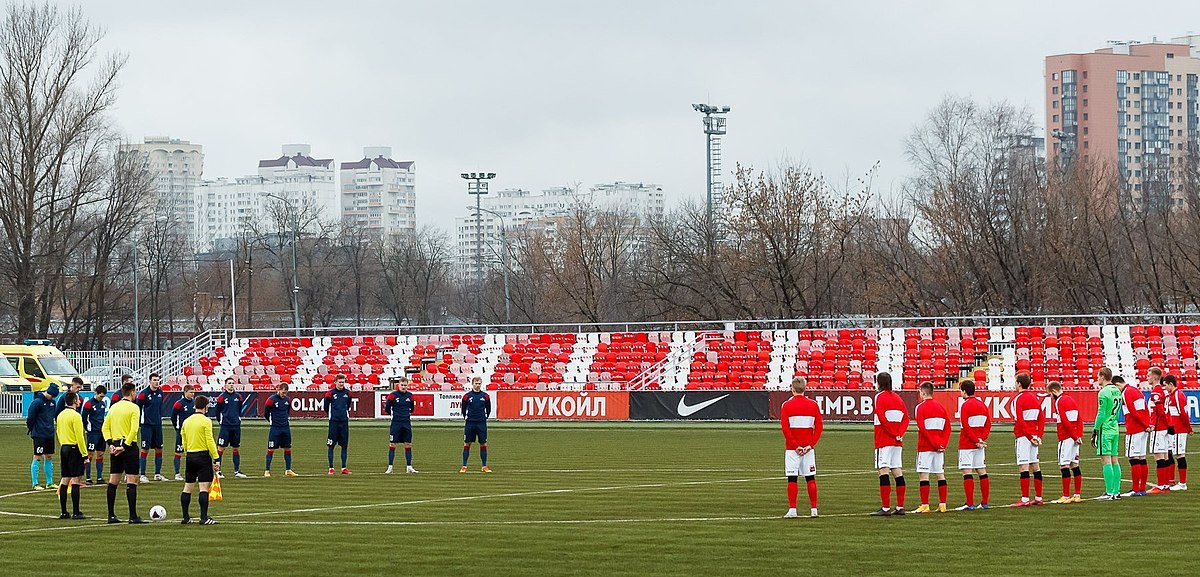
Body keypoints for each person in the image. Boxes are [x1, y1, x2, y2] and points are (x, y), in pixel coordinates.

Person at [102, 382, 147, 523]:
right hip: (128, 447)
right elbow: (134, 429)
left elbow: (105, 428)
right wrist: (126, 446)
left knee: (113, 481)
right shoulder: (134, 408)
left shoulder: (114, 407)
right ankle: (132, 516)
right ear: (133, 392)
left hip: (114, 447)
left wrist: (110, 444)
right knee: (132, 481)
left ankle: (111, 515)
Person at [780, 376, 822, 518]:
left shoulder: (786, 405)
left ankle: (793, 509)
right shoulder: (813, 405)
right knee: (810, 478)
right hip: (808, 448)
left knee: (792, 478)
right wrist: (810, 444)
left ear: (792, 389)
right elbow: (819, 427)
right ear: (805, 388)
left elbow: (785, 429)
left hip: (792, 449)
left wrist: (795, 445)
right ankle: (814, 509)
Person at [870, 372, 909, 516]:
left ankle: (886, 507)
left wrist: (893, 433)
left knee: (883, 470)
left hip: (884, 439)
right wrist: (900, 434)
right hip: (897, 441)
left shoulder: (879, 396)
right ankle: (900, 507)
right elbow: (906, 417)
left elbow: (881, 416)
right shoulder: (898, 398)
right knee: (897, 471)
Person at [180, 395, 220, 525]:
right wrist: (216, 457)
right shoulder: (206, 421)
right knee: (204, 487)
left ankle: (185, 517)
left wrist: (187, 453)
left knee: (188, 487)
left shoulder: (186, 421)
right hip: (202, 456)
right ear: (206, 407)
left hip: (190, 456)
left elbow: (183, 440)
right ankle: (203, 517)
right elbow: (210, 440)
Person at [913, 382, 950, 514]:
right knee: (940, 474)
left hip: (925, 447)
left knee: (924, 475)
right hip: (939, 447)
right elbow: (947, 428)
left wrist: (934, 443)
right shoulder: (941, 407)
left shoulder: (920, 408)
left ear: (923, 393)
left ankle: (925, 505)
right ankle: (943, 504)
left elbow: (922, 429)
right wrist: (942, 444)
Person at [956, 379, 991, 511]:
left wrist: (975, 439)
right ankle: (984, 502)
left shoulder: (965, 405)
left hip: (967, 443)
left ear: (964, 391)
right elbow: (988, 423)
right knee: (981, 471)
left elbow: (965, 426)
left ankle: (969, 503)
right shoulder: (982, 405)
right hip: (979, 444)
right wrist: (982, 438)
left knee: (967, 472)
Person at [1011, 373, 1045, 506]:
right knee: (1035, 466)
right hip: (1035, 436)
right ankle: (1038, 497)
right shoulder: (1035, 398)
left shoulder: (1018, 399)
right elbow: (1041, 418)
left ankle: (1025, 498)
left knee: (1024, 466)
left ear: (1019, 383)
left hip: (1024, 437)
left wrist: (1030, 437)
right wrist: (1038, 436)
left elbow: (1020, 420)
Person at [1047, 381, 1084, 503]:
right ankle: (1077, 495)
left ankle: (1066, 496)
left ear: (1054, 392)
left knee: (1064, 465)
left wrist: (1073, 436)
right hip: (1075, 438)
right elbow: (1079, 419)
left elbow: (1064, 421)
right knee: (1075, 465)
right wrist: (1078, 435)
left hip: (1066, 437)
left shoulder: (1059, 401)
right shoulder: (1071, 400)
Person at [1091, 368, 1123, 500]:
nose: (1097, 379)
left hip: (1106, 429)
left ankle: (1109, 492)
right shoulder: (1117, 390)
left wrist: (1095, 429)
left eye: (1098, 376)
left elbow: (1101, 413)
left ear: (1103, 377)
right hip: (1115, 428)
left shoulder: (1103, 392)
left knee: (1106, 460)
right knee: (1115, 460)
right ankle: (1116, 491)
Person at [1118, 375, 1150, 497]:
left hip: (1134, 428)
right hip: (1142, 429)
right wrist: (1147, 424)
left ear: (1118, 385)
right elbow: (1145, 409)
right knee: (1142, 458)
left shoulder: (1126, 392)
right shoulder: (1137, 391)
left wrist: (1144, 424)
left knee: (1133, 458)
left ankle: (1136, 489)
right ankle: (1142, 489)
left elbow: (1133, 412)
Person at [383, 376, 418, 474]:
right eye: (402, 385)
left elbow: (412, 408)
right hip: (396, 423)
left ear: (407, 386)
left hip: (406, 423)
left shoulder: (410, 396)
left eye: (405, 385)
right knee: (392, 444)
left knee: (408, 444)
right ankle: (390, 467)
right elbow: (387, 408)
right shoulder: (393, 395)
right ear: (398, 385)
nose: (403, 387)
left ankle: (409, 466)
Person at [214, 377, 248, 478]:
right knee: (221, 448)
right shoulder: (221, 397)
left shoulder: (238, 397)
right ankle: (218, 471)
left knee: (236, 448)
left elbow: (239, 408)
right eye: (229, 383)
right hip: (225, 426)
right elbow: (217, 411)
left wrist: (237, 418)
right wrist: (221, 421)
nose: (231, 385)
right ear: (225, 385)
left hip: (236, 426)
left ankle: (237, 471)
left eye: (233, 383)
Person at [26, 383, 58, 490]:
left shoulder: (53, 402)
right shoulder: (37, 402)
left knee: (49, 456)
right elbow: (31, 417)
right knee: (37, 456)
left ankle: (49, 482)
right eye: (52, 395)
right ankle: (35, 483)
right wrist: (32, 429)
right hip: (39, 434)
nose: (53, 398)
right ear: (48, 393)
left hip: (49, 434)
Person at [136, 373, 166, 482]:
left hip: (157, 425)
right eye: (154, 380)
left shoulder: (160, 393)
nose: (156, 382)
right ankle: (142, 474)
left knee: (159, 448)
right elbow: (138, 409)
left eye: (158, 380)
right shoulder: (143, 394)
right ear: (150, 381)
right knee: (145, 449)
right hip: (147, 425)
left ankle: (157, 474)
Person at [1146, 368, 1172, 493]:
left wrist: (1157, 425)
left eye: (1149, 375)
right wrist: (1169, 425)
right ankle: (1166, 485)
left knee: (1159, 456)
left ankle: (1161, 485)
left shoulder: (1156, 392)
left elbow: (1160, 412)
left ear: (1155, 377)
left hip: (1158, 428)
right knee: (1165, 455)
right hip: (1165, 428)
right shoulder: (1164, 391)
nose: (1147, 377)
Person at [263, 383, 296, 477]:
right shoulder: (271, 400)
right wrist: (271, 421)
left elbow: (287, 411)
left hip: (285, 427)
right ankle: (267, 470)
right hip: (275, 428)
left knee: (288, 448)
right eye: (282, 392)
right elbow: (266, 413)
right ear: (278, 390)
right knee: (271, 448)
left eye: (285, 393)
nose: (284, 394)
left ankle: (288, 469)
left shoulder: (288, 400)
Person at [461, 376, 492, 473]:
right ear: (472, 384)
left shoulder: (485, 396)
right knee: (467, 443)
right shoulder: (467, 396)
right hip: (470, 423)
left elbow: (488, 408)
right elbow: (463, 409)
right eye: (476, 383)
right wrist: (466, 417)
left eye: (479, 383)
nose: (477, 385)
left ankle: (484, 466)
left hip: (481, 423)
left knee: (483, 443)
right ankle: (464, 466)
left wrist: (484, 417)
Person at [1165, 375, 1190, 491]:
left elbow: (1183, 413)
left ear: (1171, 384)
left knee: (1180, 455)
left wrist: (1188, 428)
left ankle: (1183, 483)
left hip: (1179, 429)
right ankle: (1178, 482)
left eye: (1165, 385)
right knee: (1177, 454)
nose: (1165, 387)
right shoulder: (1172, 395)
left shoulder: (1178, 395)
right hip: (1175, 429)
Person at [324, 374, 353, 475]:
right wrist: (332, 415)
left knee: (344, 445)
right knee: (331, 445)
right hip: (334, 422)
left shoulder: (348, 393)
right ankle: (331, 468)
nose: (341, 384)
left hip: (344, 422)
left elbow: (348, 405)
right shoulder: (330, 394)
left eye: (343, 382)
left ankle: (344, 468)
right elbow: (326, 407)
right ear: (335, 382)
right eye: (339, 382)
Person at [81, 385, 108, 485]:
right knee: (90, 454)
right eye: (100, 396)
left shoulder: (102, 404)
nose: (102, 398)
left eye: (103, 396)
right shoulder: (88, 404)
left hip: (101, 433)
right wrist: (87, 429)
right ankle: (88, 477)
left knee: (100, 454)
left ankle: (99, 477)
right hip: (92, 433)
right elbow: (84, 418)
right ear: (95, 393)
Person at [170, 385, 197, 481]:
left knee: (192, 453)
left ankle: (192, 473)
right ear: (185, 392)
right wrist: (177, 427)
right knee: (178, 452)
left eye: (193, 392)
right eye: (190, 392)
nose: (192, 394)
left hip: (192, 432)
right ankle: (177, 473)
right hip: (182, 432)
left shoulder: (195, 403)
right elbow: (173, 417)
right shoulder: (179, 404)